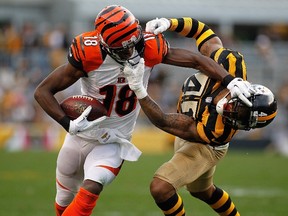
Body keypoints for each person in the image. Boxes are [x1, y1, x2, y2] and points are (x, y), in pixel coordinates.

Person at [34, 5, 253, 215]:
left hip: (114, 139)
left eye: (134, 42)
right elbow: (43, 91)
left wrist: (230, 80)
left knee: (93, 186)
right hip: (80, 134)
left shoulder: (149, 46)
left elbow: (196, 60)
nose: (132, 51)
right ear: (106, 46)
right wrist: (67, 123)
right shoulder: (89, 53)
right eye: (124, 48)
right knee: (63, 198)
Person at [123, 17, 278, 215]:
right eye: (242, 109)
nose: (235, 114)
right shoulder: (231, 64)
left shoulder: (219, 130)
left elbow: (163, 121)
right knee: (202, 191)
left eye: (242, 119)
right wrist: (170, 23)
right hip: (194, 129)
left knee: (160, 188)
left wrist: (139, 91)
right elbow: (202, 32)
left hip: (205, 147)